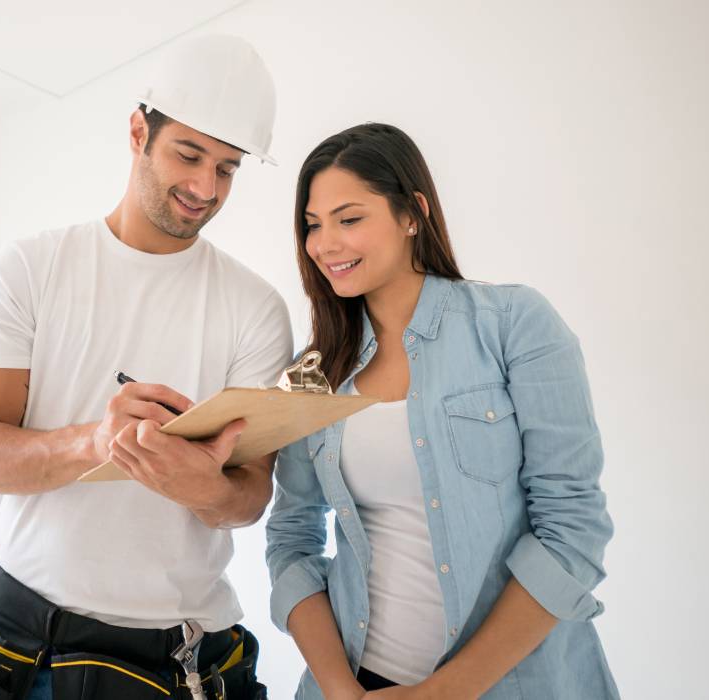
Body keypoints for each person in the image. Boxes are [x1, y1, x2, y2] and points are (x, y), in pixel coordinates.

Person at [0, 35, 293, 700]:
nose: (205, 188)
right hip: (21, 652)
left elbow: (251, 495)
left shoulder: (256, 310)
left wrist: (202, 488)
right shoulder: (30, 271)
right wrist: (96, 443)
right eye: (188, 154)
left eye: (228, 168)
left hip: (180, 664)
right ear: (137, 131)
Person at [265, 123, 619, 699]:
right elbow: (291, 539)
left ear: (413, 213)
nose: (325, 243)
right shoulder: (309, 376)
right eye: (312, 224)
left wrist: (444, 692)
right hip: (353, 681)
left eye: (349, 218)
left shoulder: (515, 324)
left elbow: (571, 530)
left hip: (510, 685)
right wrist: (338, 689)